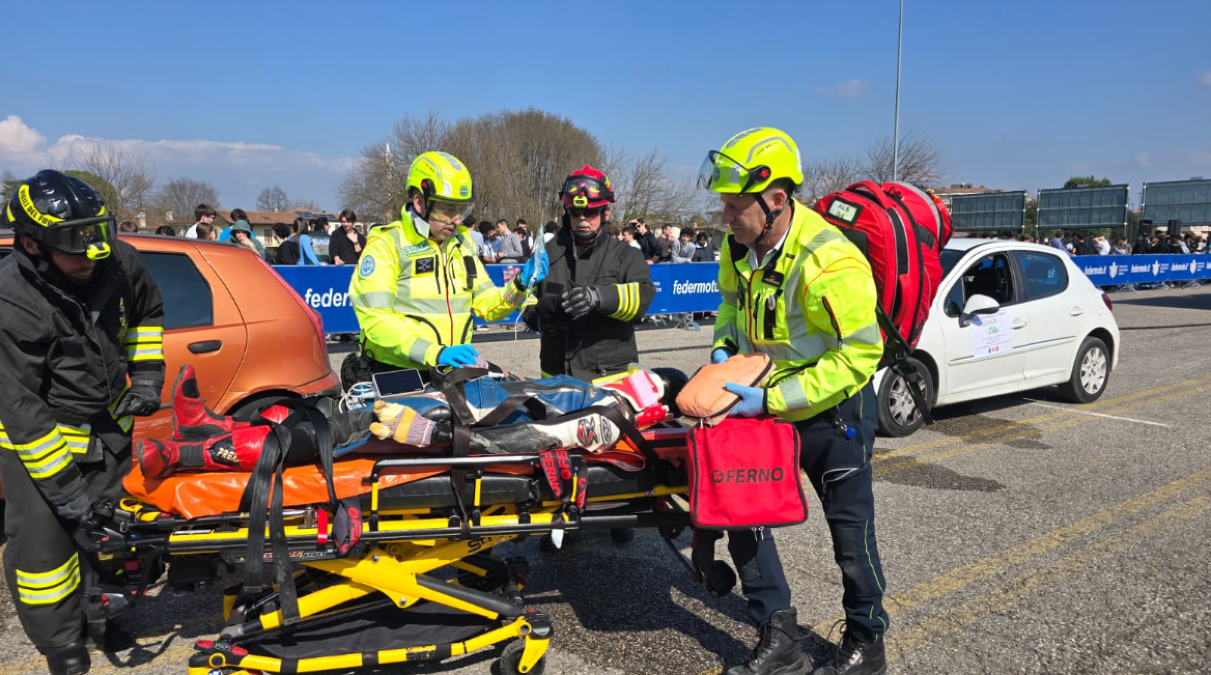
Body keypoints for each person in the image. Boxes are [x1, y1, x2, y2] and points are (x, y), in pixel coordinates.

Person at [699, 128, 888, 675]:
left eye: (735, 206)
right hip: (764, 405)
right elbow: (733, 310)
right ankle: (778, 635)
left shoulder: (829, 259)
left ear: (776, 199)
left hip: (834, 413)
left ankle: (867, 641)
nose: (725, 217)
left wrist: (772, 399)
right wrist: (723, 347)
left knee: (850, 536)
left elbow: (859, 355)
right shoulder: (737, 247)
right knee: (743, 515)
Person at [0, 170, 166, 675]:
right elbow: (22, 408)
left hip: (110, 432)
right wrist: (66, 490)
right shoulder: (10, 300)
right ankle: (62, 645)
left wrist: (146, 380)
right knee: (45, 554)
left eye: (97, 234)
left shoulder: (115, 262)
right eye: (76, 244)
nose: (92, 253)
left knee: (110, 537)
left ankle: (103, 616)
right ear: (32, 245)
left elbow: (146, 315)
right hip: (40, 445)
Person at [348, 151, 547, 381]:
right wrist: (433, 352)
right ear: (420, 203)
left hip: (449, 371)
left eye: (462, 209)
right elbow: (376, 320)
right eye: (448, 208)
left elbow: (488, 305)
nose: (458, 219)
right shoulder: (387, 243)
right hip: (397, 373)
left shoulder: (461, 245)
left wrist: (521, 284)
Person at [526, 166, 654, 381]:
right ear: (567, 212)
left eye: (591, 212)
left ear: (606, 213)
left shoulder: (626, 256)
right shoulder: (544, 256)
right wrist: (539, 318)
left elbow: (642, 299)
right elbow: (524, 300)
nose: (583, 218)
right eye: (576, 212)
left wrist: (597, 297)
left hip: (610, 377)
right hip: (555, 375)